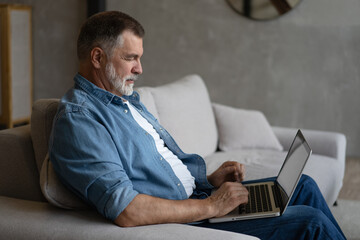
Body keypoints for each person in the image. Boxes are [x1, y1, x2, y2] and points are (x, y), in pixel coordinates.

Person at [49, 11, 346, 239]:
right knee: (312, 223)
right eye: (131, 58)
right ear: (98, 57)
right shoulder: (80, 120)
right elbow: (127, 209)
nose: (140, 68)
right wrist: (213, 206)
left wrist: (210, 181)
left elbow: (161, 167)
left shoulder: (126, 101)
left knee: (304, 186)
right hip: (194, 217)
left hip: (200, 198)